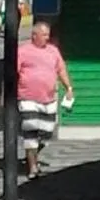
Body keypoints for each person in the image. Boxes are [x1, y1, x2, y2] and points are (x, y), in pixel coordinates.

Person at [15, 20, 74, 179]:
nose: (47, 38)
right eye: (44, 35)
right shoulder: (23, 51)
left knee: (47, 133)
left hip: (48, 99)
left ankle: (32, 154)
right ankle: (33, 166)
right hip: (27, 98)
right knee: (31, 130)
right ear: (34, 35)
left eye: (48, 35)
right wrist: (4, 93)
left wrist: (68, 88)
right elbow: (11, 73)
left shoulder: (53, 51)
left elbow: (61, 69)